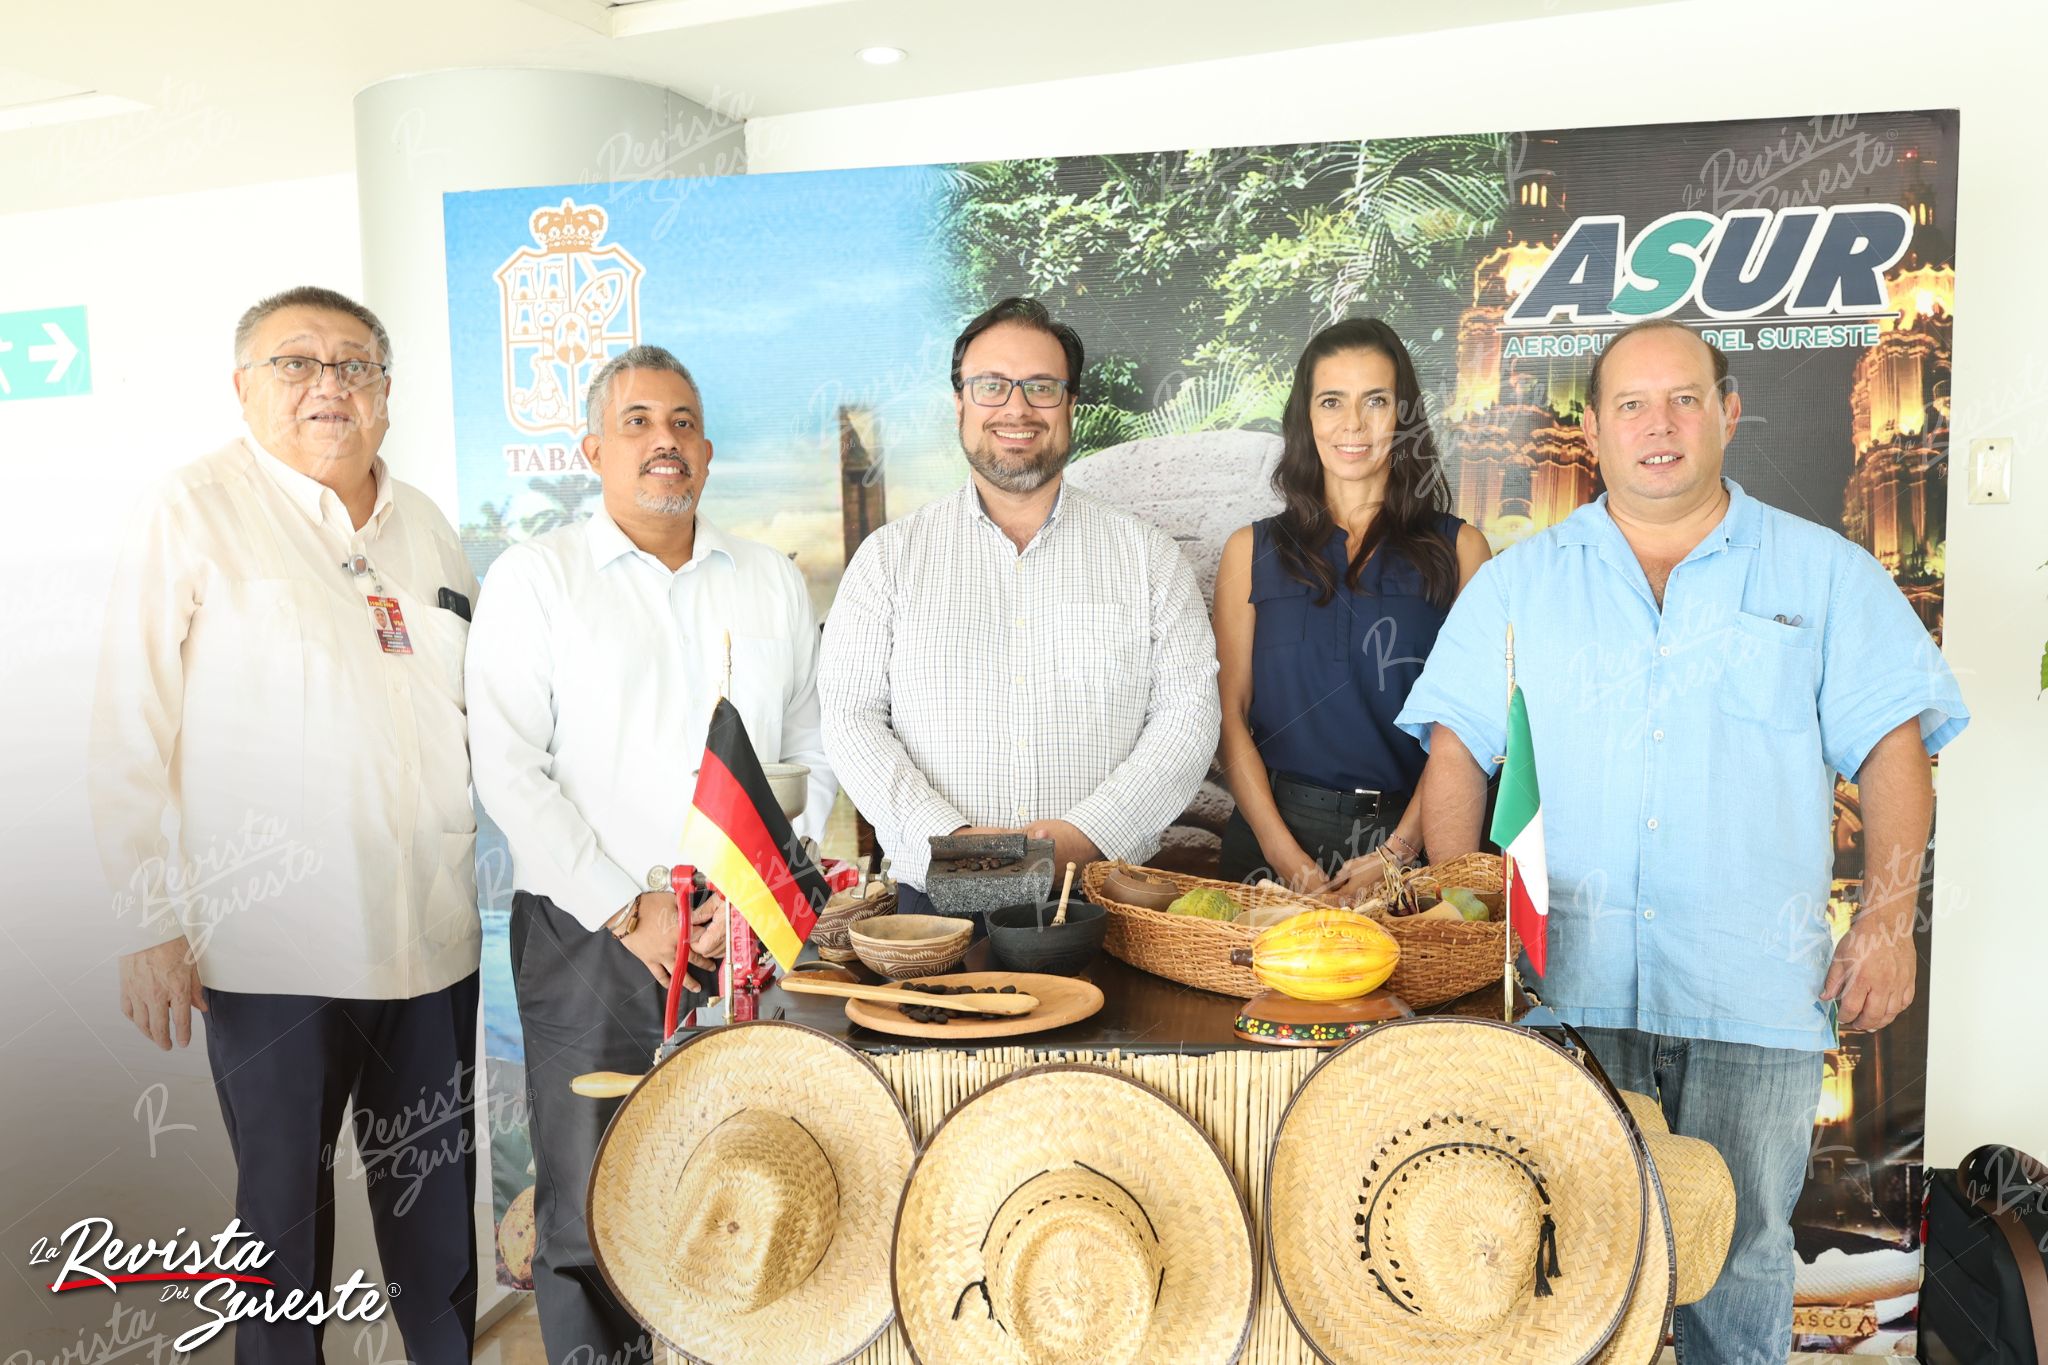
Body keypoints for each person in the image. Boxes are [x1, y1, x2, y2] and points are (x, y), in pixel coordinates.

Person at [1395, 318, 1968, 1363]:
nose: (1657, 426)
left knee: (1740, 1259)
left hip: (1749, 994)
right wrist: (1467, 919)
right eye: (1630, 404)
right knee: (1553, 1257)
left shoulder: (1825, 575)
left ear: (1725, 412)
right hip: (1562, 989)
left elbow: (1893, 753)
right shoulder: (1518, 586)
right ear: (1594, 429)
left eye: (1682, 400)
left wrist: (1887, 921)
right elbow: (1454, 756)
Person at [90, 286, 481, 1363]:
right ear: (242, 389)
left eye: (352, 365)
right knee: (279, 1224)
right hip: (273, 949)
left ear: (386, 394)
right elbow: (126, 727)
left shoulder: (430, 530)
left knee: (437, 1218)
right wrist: (146, 918)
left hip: (435, 936)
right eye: (295, 364)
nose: (327, 386)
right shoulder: (192, 509)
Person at [467, 344, 835, 1363]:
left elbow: (811, 751)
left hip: (750, 933)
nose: (660, 441)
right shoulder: (536, 580)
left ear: (707, 452)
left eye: (679, 423)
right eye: (635, 423)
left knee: (747, 1177)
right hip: (595, 939)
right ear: (592, 448)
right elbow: (505, 767)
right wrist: (633, 913)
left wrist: (752, 897)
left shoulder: (766, 579)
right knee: (591, 1207)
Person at [820, 296, 1219, 905]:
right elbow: (852, 717)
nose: (1017, 408)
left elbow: (1188, 716)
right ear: (959, 404)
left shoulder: (1148, 558)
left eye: (1041, 387)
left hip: (1100, 892)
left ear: (1071, 406)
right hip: (937, 898)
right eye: (991, 386)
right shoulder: (888, 560)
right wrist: (954, 842)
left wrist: (1086, 836)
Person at [1213, 317, 1490, 895]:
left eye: (1376, 401)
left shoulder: (1461, 550)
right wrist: (1284, 857)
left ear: (1404, 415)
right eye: (1332, 401)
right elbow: (1229, 715)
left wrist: (1399, 852)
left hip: (1416, 842)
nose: (1353, 425)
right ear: (1306, 416)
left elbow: (1465, 726)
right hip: (1270, 841)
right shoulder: (1250, 551)